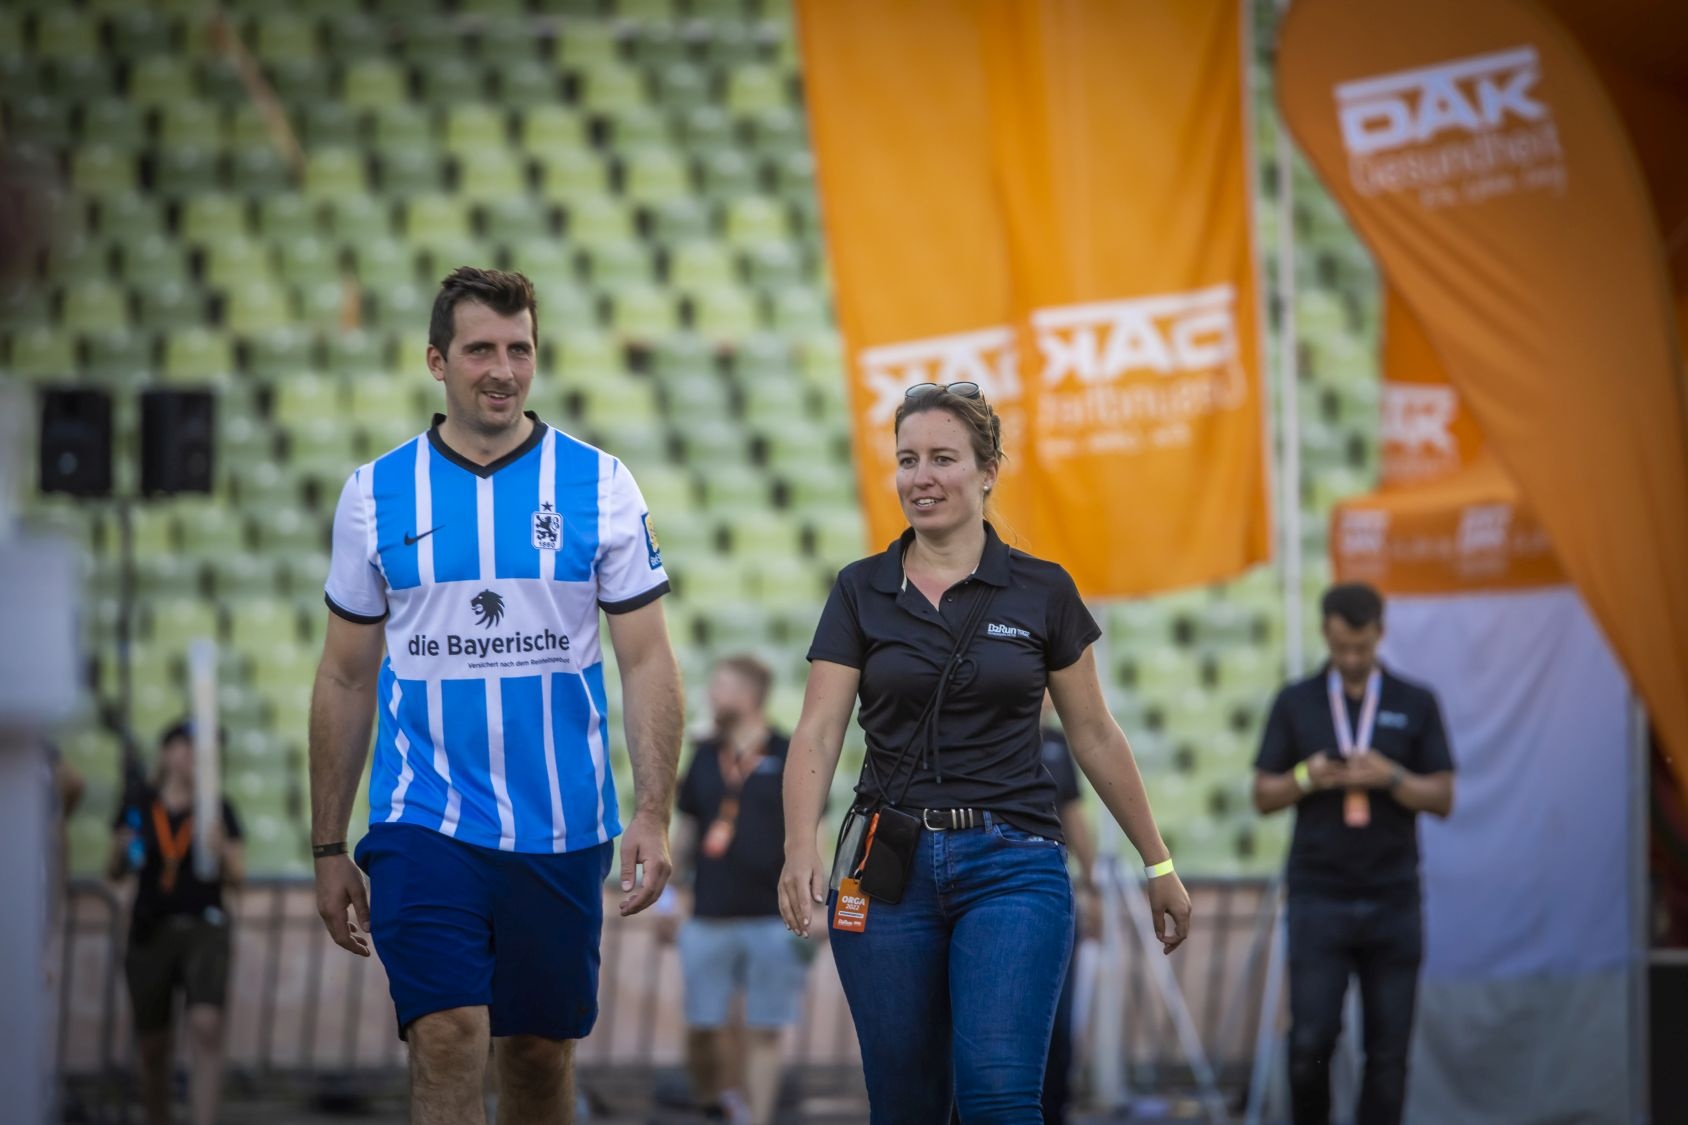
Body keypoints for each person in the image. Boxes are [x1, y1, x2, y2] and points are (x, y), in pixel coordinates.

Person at [309, 267, 683, 1125]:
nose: (504, 370)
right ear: (437, 361)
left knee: (539, 1054)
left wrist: (652, 811)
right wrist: (329, 844)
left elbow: (648, 660)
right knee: (446, 1034)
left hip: (562, 824)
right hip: (423, 817)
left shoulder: (601, 484)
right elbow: (344, 675)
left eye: (520, 349)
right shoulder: (374, 494)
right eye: (481, 349)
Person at [779, 381, 1192, 1123]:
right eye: (908, 459)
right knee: (905, 1106)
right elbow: (816, 731)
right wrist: (798, 843)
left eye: (943, 458)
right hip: (885, 869)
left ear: (989, 470)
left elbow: (1095, 733)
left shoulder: (1044, 589)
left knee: (999, 1097)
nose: (922, 477)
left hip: (1014, 866)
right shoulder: (859, 589)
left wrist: (1157, 863)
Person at [1253, 583, 1455, 1125]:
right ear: (1326, 633)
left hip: (1393, 899)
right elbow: (1263, 795)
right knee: (1309, 1044)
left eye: (1361, 648)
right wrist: (1307, 776)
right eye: (1341, 647)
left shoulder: (1415, 702)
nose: (1350, 659)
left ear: (1380, 634)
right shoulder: (1296, 701)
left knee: (1388, 1056)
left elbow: (1443, 797)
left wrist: (1391, 778)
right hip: (1319, 897)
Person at [657, 654, 808, 1125]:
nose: (711, 695)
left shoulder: (788, 753)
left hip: (773, 917)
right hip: (708, 914)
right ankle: (717, 1100)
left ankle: (754, 1118)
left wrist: (814, 902)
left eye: (720, 686)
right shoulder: (705, 755)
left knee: (766, 1029)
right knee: (704, 1026)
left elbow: (811, 834)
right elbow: (686, 833)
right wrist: (669, 898)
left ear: (748, 695)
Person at [108, 719, 244, 1125]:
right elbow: (114, 870)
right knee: (153, 1045)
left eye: (204, 749)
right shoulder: (138, 804)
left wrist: (221, 851)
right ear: (167, 752)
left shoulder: (218, 807)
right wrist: (121, 851)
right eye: (186, 745)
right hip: (151, 926)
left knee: (206, 1024)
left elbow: (238, 877)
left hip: (205, 924)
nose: (194, 755)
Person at [1037, 694, 1099, 1125]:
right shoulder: (981, 735)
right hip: (999, 889)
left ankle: (1055, 1111)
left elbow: (1074, 816)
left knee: (1058, 1019)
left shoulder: (1058, 744)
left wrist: (1093, 889)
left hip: (1052, 892)